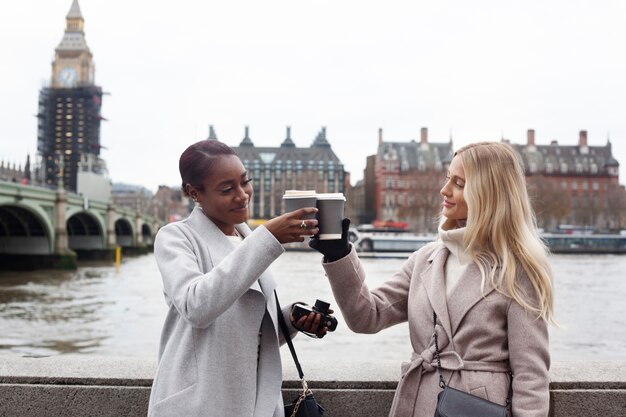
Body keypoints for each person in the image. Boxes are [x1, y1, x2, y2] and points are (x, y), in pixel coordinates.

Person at [310, 141, 554, 417]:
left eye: (459, 183)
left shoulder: (518, 270)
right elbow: (368, 316)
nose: (444, 190)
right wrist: (339, 256)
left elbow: (531, 377)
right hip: (418, 403)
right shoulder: (426, 259)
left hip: (476, 409)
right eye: (448, 178)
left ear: (489, 194)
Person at [148, 139, 331, 417]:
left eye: (245, 182)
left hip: (256, 401)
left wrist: (292, 320)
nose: (242, 195)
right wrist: (267, 238)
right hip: (201, 404)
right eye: (227, 189)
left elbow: (247, 332)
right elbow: (196, 307)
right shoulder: (175, 237)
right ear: (193, 192)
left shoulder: (246, 237)